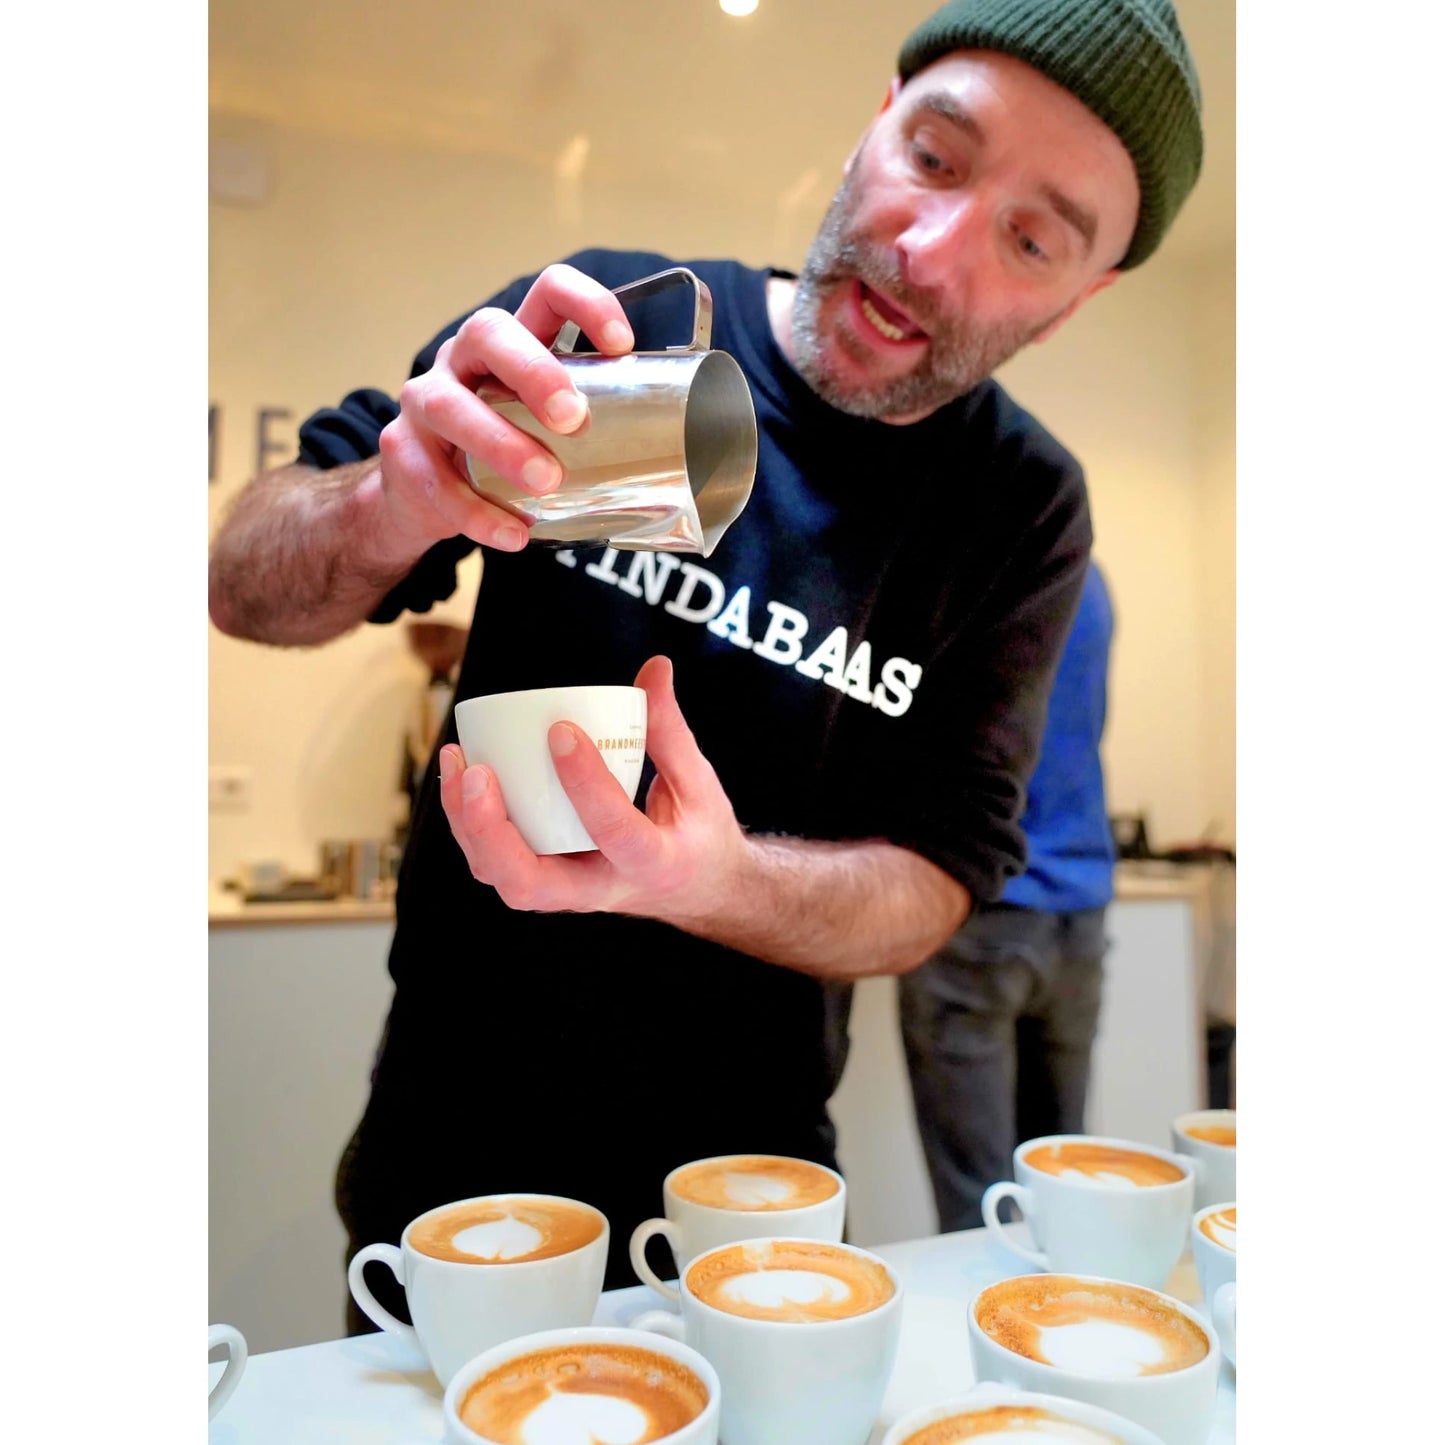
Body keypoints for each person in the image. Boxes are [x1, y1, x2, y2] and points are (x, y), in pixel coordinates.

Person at [207, 0, 1203, 1319]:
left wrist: (713, 880)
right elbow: (244, 587)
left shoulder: (1017, 507)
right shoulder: (610, 326)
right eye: (933, 155)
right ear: (872, 125)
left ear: (1079, 298)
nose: (928, 247)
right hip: (448, 1174)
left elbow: (936, 876)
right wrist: (390, 498)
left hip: (748, 1200)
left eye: (1029, 239)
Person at [898, 559, 1116, 1232]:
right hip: (1079, 902)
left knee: (979, 1205)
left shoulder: (974, 569)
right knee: (1062, 1185)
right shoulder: (1089, 578)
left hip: (980, 908)